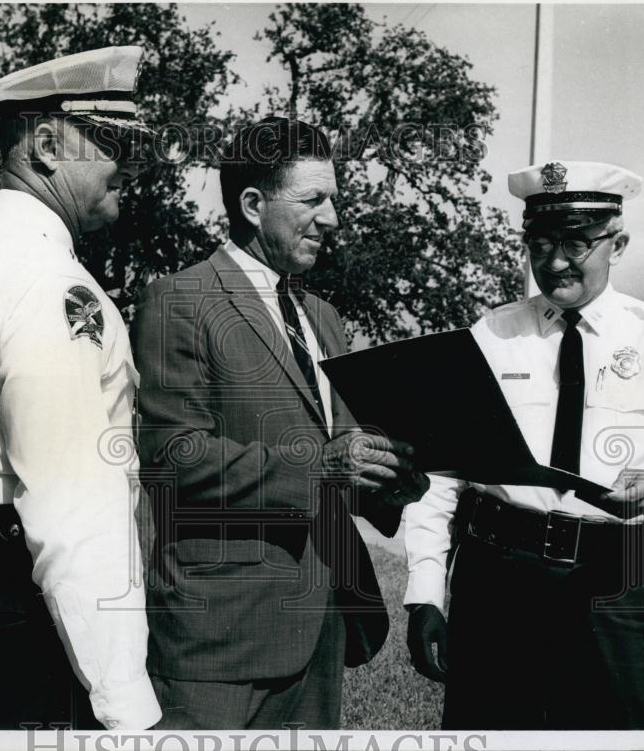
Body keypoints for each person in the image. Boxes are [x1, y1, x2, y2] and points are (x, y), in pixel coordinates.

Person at [131, 116, 430, 730]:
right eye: (314, 199)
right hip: (220, 639)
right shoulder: (177, 301)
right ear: (251, 204)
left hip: (323, 627)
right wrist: (324, 466)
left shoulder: (322, 315)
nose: (332, 219)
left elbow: (348, 455)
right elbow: (174, 455)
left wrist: (398, 468)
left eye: (335, 201)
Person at [0, 46, 161, 730]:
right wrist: (126, 703)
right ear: (45, 144)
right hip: (23, 620)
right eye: (111, 142)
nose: (127, 163)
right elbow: (73, 509)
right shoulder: (48, 285)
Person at [402, 160, 644, 730]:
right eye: (539, 243)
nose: (553, 262)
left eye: (575, 243)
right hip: (498, 580)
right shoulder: (490, 335)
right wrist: (425, 591)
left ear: (616, 244)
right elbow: (442, 471)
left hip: (616, 584)